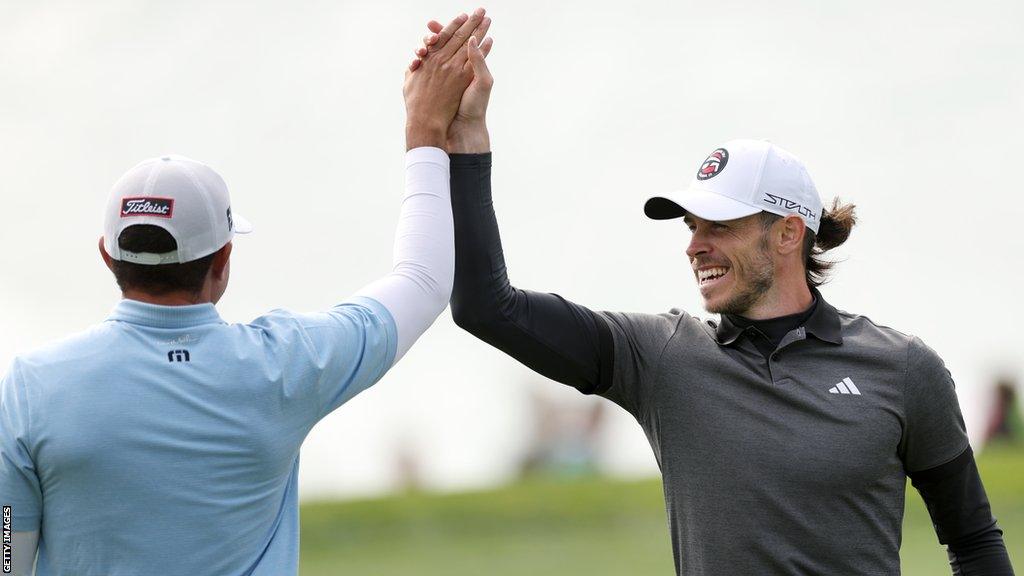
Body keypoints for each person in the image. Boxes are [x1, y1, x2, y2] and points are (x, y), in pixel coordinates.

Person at [412, 21, 1015, 575]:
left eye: (719, 226)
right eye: (690, 227)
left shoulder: (903, 368)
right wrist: (466, 139)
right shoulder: (659, 357)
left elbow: (974, 541)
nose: (694, 246)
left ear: (787, 233)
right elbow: (487, 308)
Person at [0, 10, 492, 575]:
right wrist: (427, 132)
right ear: (224, 260)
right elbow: (425, 280)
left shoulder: (30, 389)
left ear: (107, 256)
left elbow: (8, 552)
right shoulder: (285, 366)